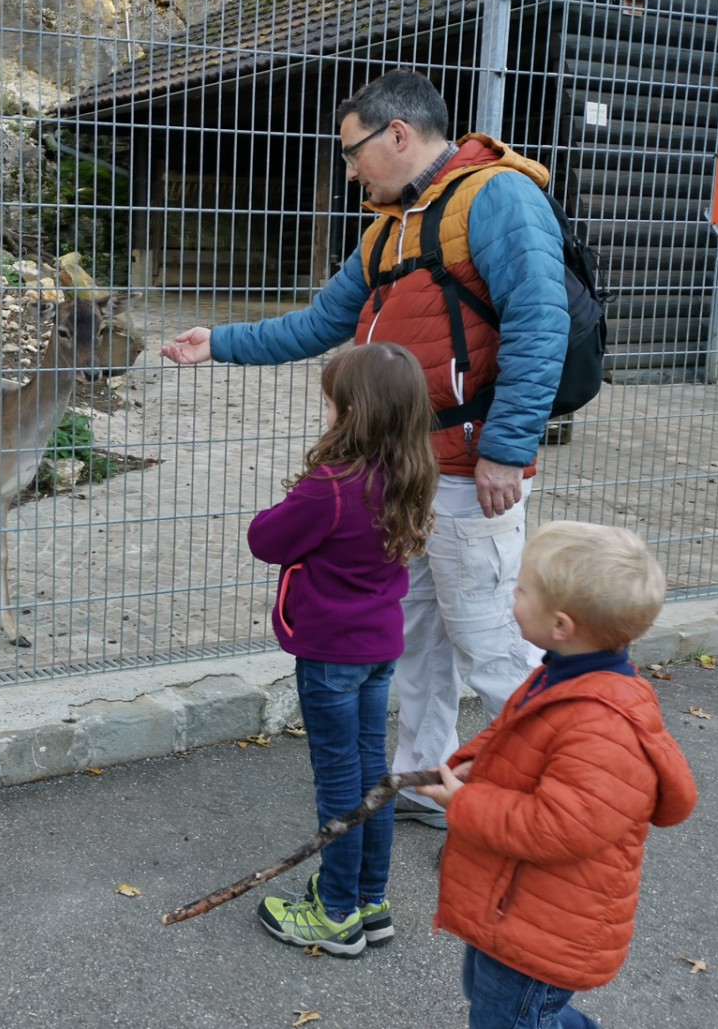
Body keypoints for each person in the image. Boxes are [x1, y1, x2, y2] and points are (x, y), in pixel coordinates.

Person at [162, 69, 571, 828]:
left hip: (469, 471)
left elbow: (540, 322)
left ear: (398, 135)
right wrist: (217, 341)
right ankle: (424, 781)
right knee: (416, 641)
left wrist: (508, 449)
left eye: (352, 152)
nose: (348, 169)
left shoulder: (498, 198)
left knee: (492, 647)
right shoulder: (392, 222)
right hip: (409, 476)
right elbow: (321, 323)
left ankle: (542, 811)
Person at [413, 521, 696, 1028]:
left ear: (562, 624)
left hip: (548, 926)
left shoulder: (602, 725)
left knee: (511, 1018)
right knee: (490, 996)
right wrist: (470, 764)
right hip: (516, 904)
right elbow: (512, 732)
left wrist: (464, 805)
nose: (512, 595)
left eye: (521, 589)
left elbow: (558, 826)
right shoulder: (563, 673)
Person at [248, 343, 438, 956]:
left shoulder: (331, 486)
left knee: (338, 785)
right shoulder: (411, 475)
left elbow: (266, 539)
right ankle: (369, 899)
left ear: (351, 411)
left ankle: (333, 915)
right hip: (380, 650)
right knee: (371, 779)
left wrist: (299, 493)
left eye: (330, 401)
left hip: (331, 657)